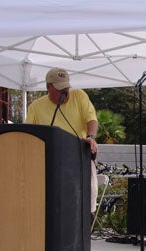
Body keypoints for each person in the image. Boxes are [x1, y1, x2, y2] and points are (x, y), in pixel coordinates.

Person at [26, 67, 99, 212]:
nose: (65, 92)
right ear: (48, 87)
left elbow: (91, 119)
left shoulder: (79, 96)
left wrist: (91, 137)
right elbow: (29, 134)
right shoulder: (36, 107)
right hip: (50, 162)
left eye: (66, 87)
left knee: (84, 201)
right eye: (60, 89)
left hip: (78, 157)